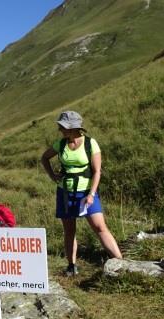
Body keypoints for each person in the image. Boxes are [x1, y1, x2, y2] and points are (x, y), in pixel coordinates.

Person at [41, 111, 122, 276]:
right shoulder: (61, 143)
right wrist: (52, 176)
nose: (60, 130)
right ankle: (71, 266)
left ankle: (121, 262)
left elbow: (97, 172)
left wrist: (92, 194)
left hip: (86, 193)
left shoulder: (91, 144)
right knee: (69, 230)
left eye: (63, 127)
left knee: (99, 227)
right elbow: (44, 158)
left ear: (73, 128)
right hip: (65, 192)